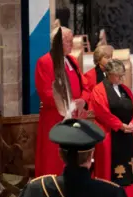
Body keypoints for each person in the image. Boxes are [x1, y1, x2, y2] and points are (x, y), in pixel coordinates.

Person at [35, 26, 91, 178]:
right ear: (56, 42)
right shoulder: (45, 62)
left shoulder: (72, 60)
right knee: (54, 162)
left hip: (76, 118)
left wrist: (83, 100)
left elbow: (85, 85)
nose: (71, 44)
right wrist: (71, 104)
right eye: (67, 41)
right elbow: (46, 94)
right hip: (56, 119)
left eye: (71, 40)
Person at [89, 59, 133, 197]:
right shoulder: (99, 90)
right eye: (118, 75)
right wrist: (120, 125)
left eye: (122, 75)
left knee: (128, 165)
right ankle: (109, 196)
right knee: (110, 166)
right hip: (110, 134)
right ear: (109, 74)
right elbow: (102, 112)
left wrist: (132, 123)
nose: (121, 78)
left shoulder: (125, 90)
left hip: (127, 134)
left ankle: (129, 195)